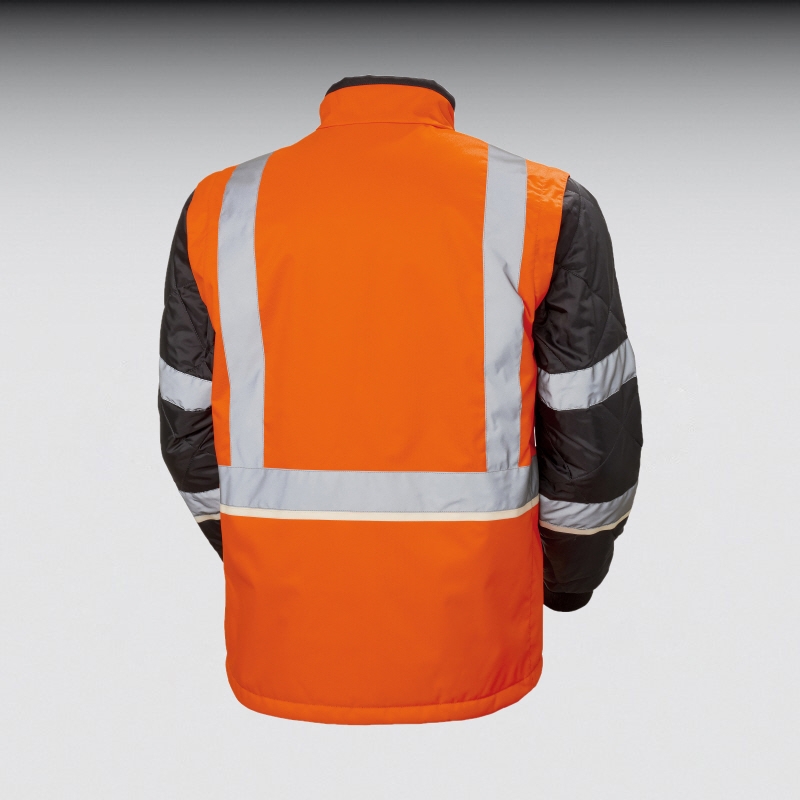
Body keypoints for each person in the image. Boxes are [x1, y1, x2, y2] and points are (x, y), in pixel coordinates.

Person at [158, 75, 642, 723]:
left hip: (284, 634)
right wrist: (568, 581)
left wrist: (249, 547)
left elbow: (186, 421)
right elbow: (592, 425)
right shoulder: (543, 202)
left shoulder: (221, 203)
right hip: (475, 639)